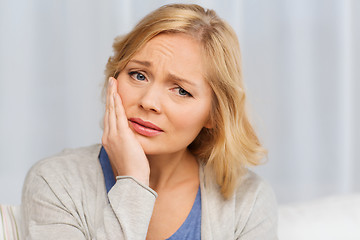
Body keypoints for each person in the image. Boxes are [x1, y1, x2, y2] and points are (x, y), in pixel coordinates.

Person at [21, 3, 277, 240]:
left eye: (181, 90)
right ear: (115, 77)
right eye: (138, 75)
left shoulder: (248, 200)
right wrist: (133, 182)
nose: (149, 101)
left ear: (214, 114)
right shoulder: (56, 183)